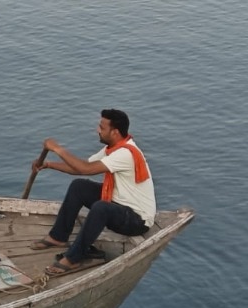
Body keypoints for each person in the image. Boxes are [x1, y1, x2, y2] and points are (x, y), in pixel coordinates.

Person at [31, 108, 155, 276]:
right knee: (79, 186)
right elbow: (80, 168)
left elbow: (85, 169)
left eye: (102, 128)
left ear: (115, 132)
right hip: (119, 204)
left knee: (101, 207)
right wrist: (49, 164)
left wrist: (58, 149)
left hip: (136, 220)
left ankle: (74, 258)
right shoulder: (112, 149)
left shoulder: (125, 153)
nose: (97, 130)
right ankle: (58, 237)